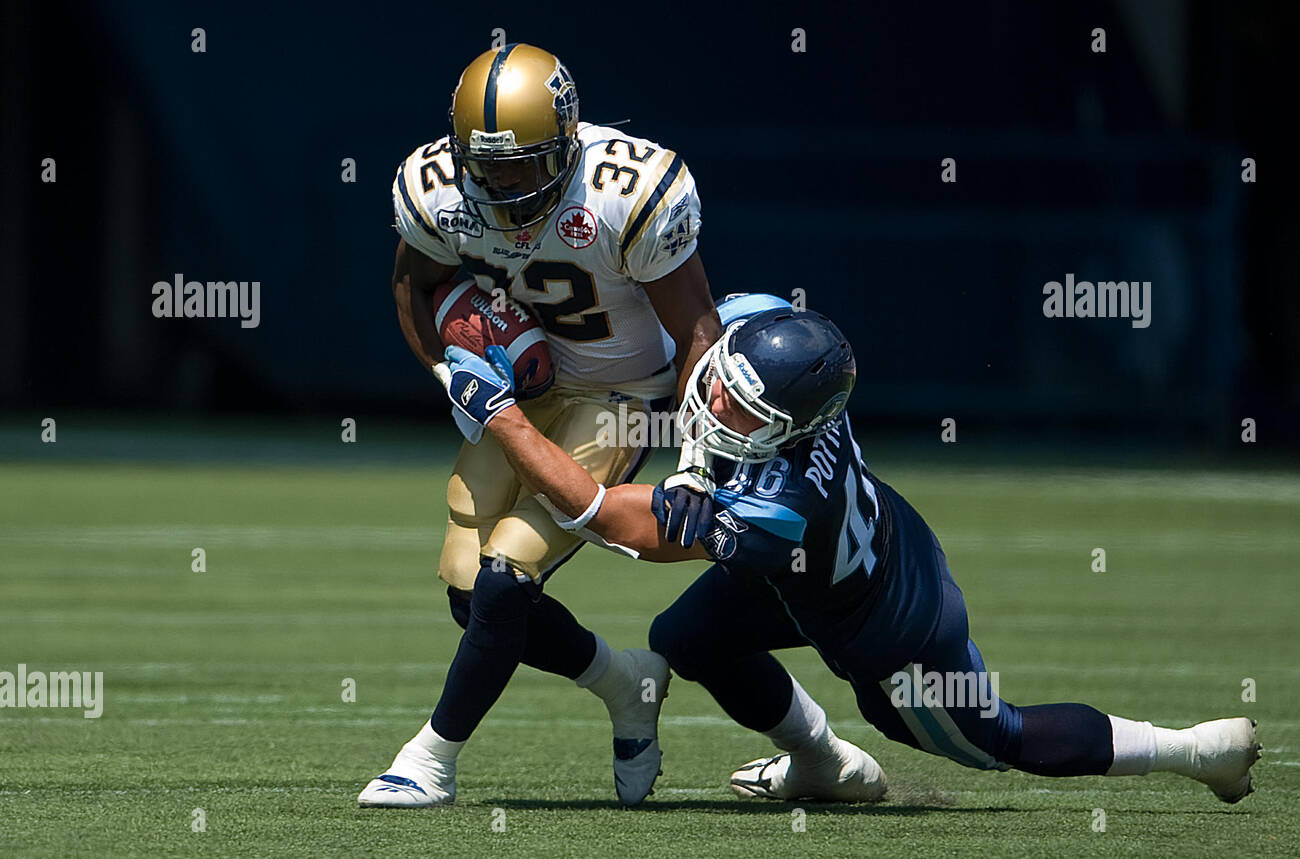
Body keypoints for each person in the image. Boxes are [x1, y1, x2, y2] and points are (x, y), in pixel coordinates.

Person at [429, 293, 1262, 805]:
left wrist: (501, 414)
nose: (720, 405)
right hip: (842, 554)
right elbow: (705, 335)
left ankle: (1195, 750)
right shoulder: (761, 334)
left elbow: (607, 517)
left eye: (747, 412)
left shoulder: (777, 506)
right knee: (687, 639)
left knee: (995, 739)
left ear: (792, 427)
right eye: (724, 385)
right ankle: (819, 761)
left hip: (889, 624)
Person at [359, 43, 722, 808]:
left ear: (566, 138)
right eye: (486, 166)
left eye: (521, 165)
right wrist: (448, 371)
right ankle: (628, 684)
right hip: (521, 393)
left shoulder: (630, 191)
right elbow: (410, 285)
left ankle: (430, 760)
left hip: (622, 395)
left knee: (506, 573)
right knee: (469, 589)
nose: (501, 184)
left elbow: (696, 332)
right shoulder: (436, 189)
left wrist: (694, 457)